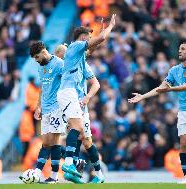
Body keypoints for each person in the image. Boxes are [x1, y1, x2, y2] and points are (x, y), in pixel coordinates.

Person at [128, 43, 186, 184]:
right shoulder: (174, 70)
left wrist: (170, 90)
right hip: (184, 111)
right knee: (183, 144)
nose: (179, 51)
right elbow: (161, 88)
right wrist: (142, 96)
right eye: (179, 49)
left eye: (183, 49)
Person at [56, 14, 115, 179]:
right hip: (69, 94)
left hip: (81, 101)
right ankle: (70, 163)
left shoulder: (82, 61)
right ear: (82, 39)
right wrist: (110, 27)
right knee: (74, 129)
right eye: (88, 38)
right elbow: (100, 39)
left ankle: (98, 174)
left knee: (86, 139)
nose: (90, 40)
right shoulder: (74, 47)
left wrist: (88, 97)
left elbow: (96, 83)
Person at [20, 41, 65, 183]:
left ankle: (48, 175)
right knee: (47, 143)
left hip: (57, 108)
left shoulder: (59, 64)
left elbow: (69, 82)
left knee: (52, 141)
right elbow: (43, 90)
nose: (37, 61)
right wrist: (38, 106)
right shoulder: (41, 68)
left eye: (37, 57)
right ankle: (45, 174)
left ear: (43, 52)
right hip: (45, 110)